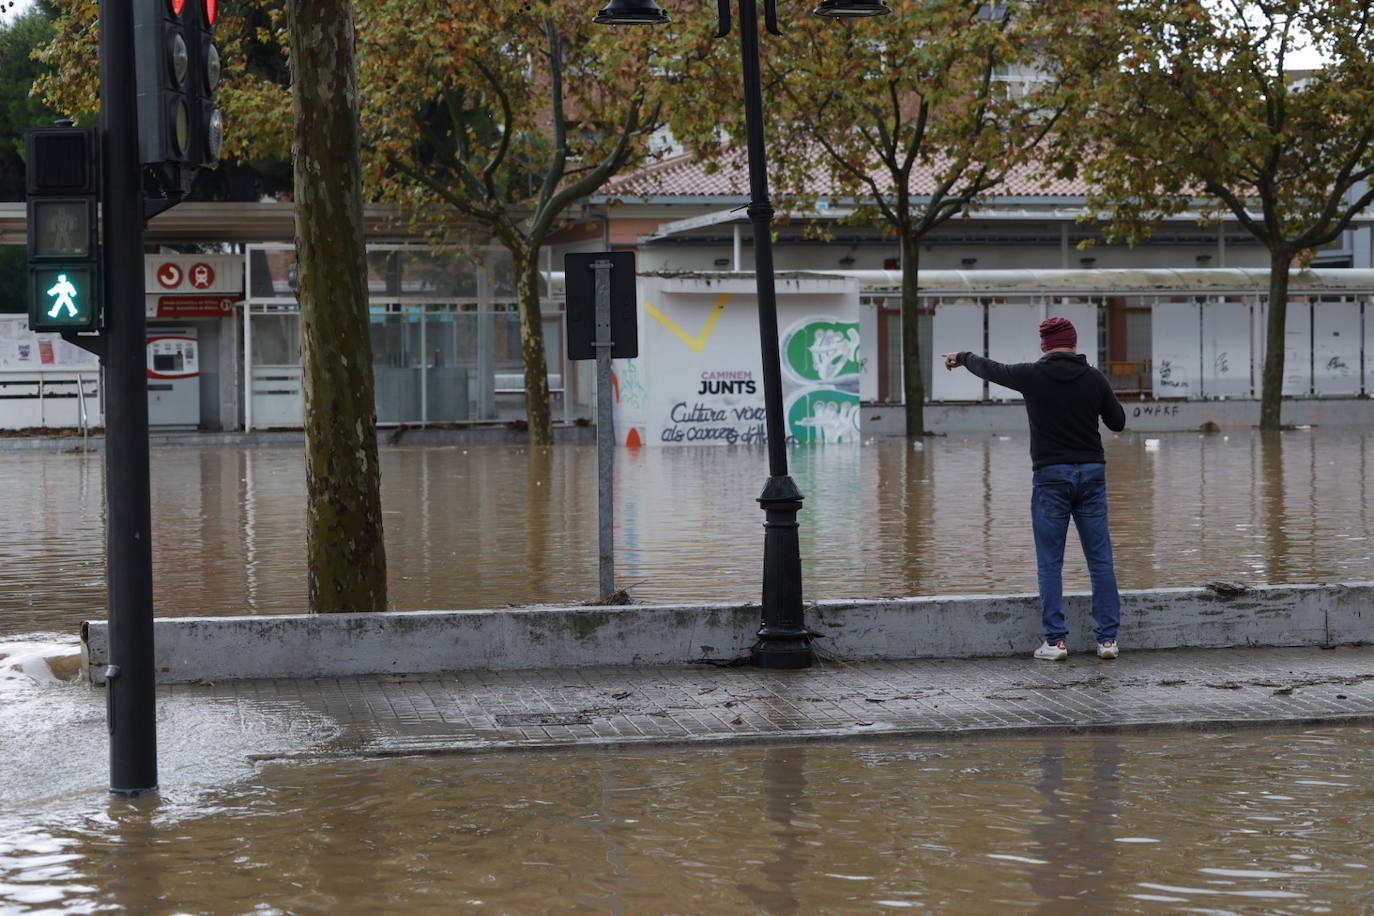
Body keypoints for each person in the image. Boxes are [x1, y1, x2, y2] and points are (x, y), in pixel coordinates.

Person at [942, 317, 1127, 661]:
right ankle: (1107, 641)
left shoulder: (1030, 375)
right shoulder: (1094, 378)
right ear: (1074, 343)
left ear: (1044, 345)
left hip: (1050, 476)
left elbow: (990, 368)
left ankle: (1056, 642)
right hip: (1091, 474)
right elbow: (1117, 422)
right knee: (1100, 560)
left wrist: (962, 356)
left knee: (1050, 562)